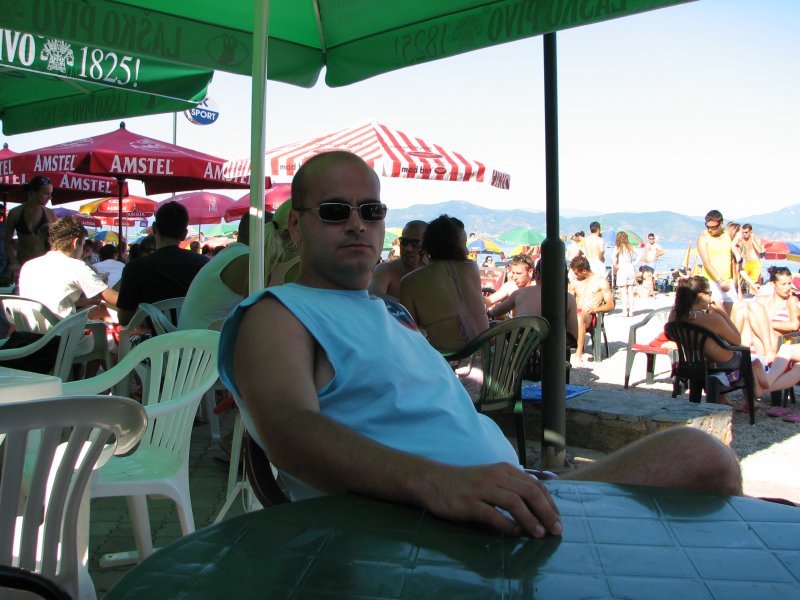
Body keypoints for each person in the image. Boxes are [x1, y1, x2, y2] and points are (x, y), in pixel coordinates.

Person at [219, 150, 741, 539]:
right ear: (295, 225)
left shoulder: (390, 312)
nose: (357, 223)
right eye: (335, 211)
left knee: (702, 456)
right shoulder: (279, 313)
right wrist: (438, 483)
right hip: (428, 525)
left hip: (516, 491)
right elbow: (287, 430)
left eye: (371, 210)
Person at [398, 215, 488, 352]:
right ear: (453, 245)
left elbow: (409, 335)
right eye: (464, 245)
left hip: (449, 361)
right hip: (493, 357)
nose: (467, 251)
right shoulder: (472, 267)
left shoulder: (409, 282)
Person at [116, 201, 209, 326]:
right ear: (184, 234)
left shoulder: (135, 268)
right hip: (196, 336)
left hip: (156, 337)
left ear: (154, 229)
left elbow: (124, 319)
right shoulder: (204, 264)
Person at [18, 216, 118, 321]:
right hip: (62, 330)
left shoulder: (28, 265)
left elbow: (51, 302)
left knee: (96, 309)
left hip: (30, 329)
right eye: (82, 245)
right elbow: (116, 300)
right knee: (106, 312)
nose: (82, 251)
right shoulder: (76, 267)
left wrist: (89, 301)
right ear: (75, 243)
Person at [179, 215, 251, 330]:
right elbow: (264, 307)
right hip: (202, 338)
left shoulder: (234, 253)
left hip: (192, 334)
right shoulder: (244, 259)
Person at [487, 260, 579, 346]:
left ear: (536, 274)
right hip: (554, 354)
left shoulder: (519, 293)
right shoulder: (569, 298)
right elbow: (573, 338)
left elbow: (495, 312)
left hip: (523, 352)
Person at [4, 175, 57, 277]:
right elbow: (7, 241)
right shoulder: (15, 213)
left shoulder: (50, 214)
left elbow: (58, 243)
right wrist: (13, 261)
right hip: (22, 265)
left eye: (51, 193)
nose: (50, 197)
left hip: (44, 267)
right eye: (46, 193)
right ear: (32, 192)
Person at [568, 256, 615, 365]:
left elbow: (610, 305)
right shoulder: (574, 283)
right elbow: (568, 300)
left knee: (580, 316)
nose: (575, 275)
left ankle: (578, 355)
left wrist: (595, 309)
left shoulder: (600, 282)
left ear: (584, 270)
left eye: (577, 273)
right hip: (575, 312)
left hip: (590, 314)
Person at [368, 220, 427, 300]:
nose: (408, 249)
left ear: (428, 245)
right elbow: (374, 296)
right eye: (404, 242)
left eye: (415, 243)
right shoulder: (385, 269)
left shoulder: (436, 272)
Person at [696, 209, 736, 313]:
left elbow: (733, 260)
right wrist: (720, 281)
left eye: (713, 227)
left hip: (728, 280)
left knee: (733, 316)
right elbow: (706, 263)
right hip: (712, 281)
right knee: (716, 315)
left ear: (721, 223)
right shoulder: (703, 237)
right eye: (707, 226)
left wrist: (735, 281)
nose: (710, 230)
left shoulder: (728, 235)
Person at [758, 266, 799, 344]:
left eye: (789, 283)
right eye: (783, 284)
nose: (788, 287)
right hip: (758, 339)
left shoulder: (791, 300)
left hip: (777, 342)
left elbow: (794, 325)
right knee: (740, 308)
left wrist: (767, 323)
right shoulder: (762, 300)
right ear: (773, 284)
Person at [611, 231, 640, 317]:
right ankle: (631, 312)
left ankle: (624, 311)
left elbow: (612, 257)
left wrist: (616, 266)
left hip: (622, 269)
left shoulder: (618, 247)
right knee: (630, 292)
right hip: (630, 268)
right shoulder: (630, 247)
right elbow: (640, 253)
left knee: (623, 293)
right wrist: (635, 264)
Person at [738, 224, 764, 293]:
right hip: (747, 263)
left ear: (750, 232)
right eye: (743, 232)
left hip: (755, 263)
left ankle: (754, 296)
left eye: (746, 232)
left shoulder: (756, 238)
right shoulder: (742, 240)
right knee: (748, 283)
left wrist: (753, 241)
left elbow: (760, 251)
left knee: (753, 284)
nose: (744, 234)